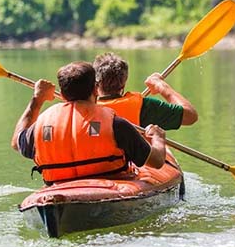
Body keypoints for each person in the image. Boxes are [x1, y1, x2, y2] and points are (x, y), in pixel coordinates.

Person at [11, 61, 166, 184]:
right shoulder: (116, 124)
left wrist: (37, 99)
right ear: (95, 89)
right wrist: (158, 138)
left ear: (63, 94)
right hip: (110, 187)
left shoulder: (41, 125)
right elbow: (157, 162)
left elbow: (16, 142)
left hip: (58, 188)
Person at [92, 52, 198, 129]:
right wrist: (161, 85)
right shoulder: (143, 108)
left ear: (95, 83)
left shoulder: (81, 109)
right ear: (124, 83)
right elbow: (190, 116)